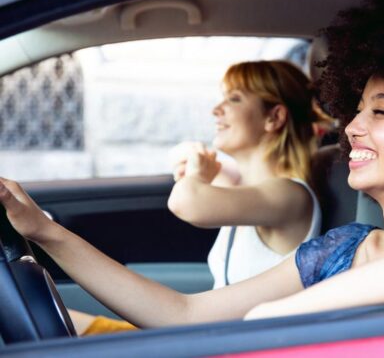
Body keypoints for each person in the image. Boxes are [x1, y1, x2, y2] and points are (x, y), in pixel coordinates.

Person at [1, 0, 384, 327]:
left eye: (381, 112)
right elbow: (183, 314)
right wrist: (45, 233)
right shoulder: (340, 250)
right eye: (357, 107)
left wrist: (273, 320)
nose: (352, 127)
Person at [72, 60, 327, 334]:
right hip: (210, 337)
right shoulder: (247, 191)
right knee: (66, 320)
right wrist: (197, 168)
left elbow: (185, 202)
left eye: (235, 99)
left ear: (273, 118)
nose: (216, 109)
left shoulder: (289, 195)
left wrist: (198, 175)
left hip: (233, 346)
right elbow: (186, 162)